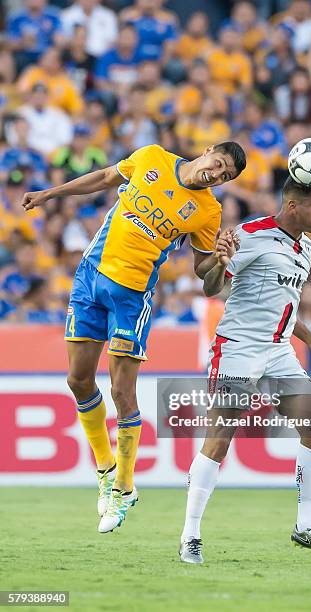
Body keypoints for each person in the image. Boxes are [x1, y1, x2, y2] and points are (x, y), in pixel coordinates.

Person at [21, 141, 246, 534]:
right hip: (90, 277)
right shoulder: (152, 157)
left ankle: (124, 487)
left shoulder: (208, 211)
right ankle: (105, 468)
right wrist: (50, 193)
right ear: (208, 150)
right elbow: (107, 176)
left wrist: (221, 262)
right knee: (78, 380)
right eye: (219, 164)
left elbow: (204, 277)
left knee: (123, 393)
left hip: (132, 296)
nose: (216, 174)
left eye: (225, 176)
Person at [179, 177, 311, 564]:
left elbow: (283, 304)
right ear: (292, 206)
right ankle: (190, 535)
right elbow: (211, 284)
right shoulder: (250, 235)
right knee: (219, 438)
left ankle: (305, 524)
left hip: (279, 351)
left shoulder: (307, 247)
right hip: (238, 349)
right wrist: (218, 262)